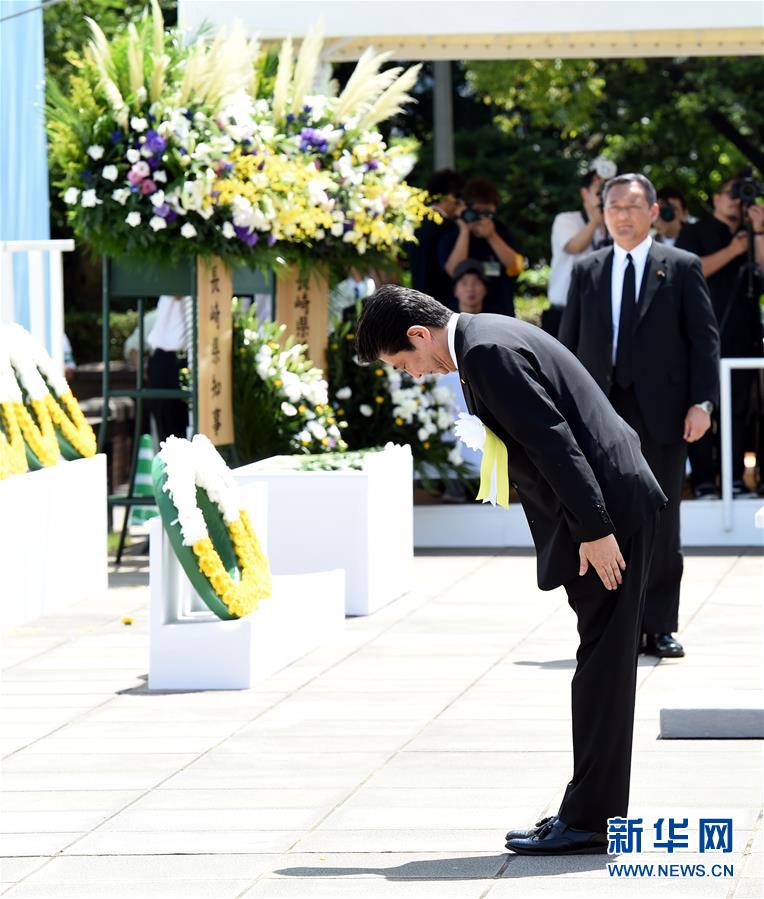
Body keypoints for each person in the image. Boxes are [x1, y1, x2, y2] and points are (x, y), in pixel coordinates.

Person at [356, 284, 667, 856]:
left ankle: (592, 820)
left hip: (608, 512)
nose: (415, 375)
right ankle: (590, 811)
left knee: (603, 663)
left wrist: (595, 531)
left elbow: (555, 445)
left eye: (405, 362)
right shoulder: (486, 333)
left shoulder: (484, 352)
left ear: (419, 335)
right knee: (601, 658)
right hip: (604, 504)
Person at [559, 173, 719, 661]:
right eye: (613, 207)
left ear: (652, 212)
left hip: (663, 414)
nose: (622, 215)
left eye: (632, 206)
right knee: (603, 517)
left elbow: (704, 341)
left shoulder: (682, 265)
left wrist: (703, 403)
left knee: (662, 520)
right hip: (599, 413)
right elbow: (567, 345)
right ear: (601, 214)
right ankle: (615, 626)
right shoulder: (586, 270)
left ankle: (659, 625)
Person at [676, 176, 764, 498]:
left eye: (742, 196)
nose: (736, 202)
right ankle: (703, 481)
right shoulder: (695, 232)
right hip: (701, 336)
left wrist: (757, 232)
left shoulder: (751, 234)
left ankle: (735, 479)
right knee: (701, 408)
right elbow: (691, 269)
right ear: (715, 198)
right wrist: (733, 250)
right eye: (731, 194)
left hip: (743, 337)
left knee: (739, 412)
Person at [545, 159, 614, 337]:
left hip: (601, 314)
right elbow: (574, 246)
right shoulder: (566, 220)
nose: (603, 197)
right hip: (564, 312)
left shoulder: (616, 227)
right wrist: (595, 222)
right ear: (584, 193)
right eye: (599, 191)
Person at [439, 177, 524, 316]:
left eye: (487, 213)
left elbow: (516, 267)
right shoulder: (451, 237)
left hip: (500, 313)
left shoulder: (503, 233)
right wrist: (465, 231)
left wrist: (492, 236)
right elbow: (453, 271)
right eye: (477, 212)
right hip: (463, 315)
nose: (482, 218)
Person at [408, 169, 464, 307]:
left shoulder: (413, 222)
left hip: (417, 297)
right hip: (444, 301)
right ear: (451, 197)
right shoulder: (450, 227)